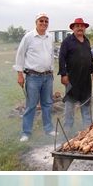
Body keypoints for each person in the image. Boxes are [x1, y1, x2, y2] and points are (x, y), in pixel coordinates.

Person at [14, 12, 55, 142]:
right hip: (33, 77)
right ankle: (26, 132)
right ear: (36, 22)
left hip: (48, 76)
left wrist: (52, 70)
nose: (44, 23)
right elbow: (20, 55)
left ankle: (49, 129)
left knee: (47, 104)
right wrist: (20, 74)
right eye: (41, 21)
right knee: (31, 105)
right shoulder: (28, 37)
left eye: (46, 21)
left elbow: (51, 55)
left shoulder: (50, 37)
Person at [58, 17, 93, 133]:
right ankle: (67, 129)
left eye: (82, 26)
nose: (80, 28)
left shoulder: (86, 41)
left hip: (85, 79)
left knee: (86, 103)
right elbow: (61, 58)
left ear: (84, 28)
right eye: (77, 26)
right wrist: (63, 74)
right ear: (73, 28)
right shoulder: (67, 41)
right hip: (72, 78)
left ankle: (88, 129)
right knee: (70, 104)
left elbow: (89, 58)